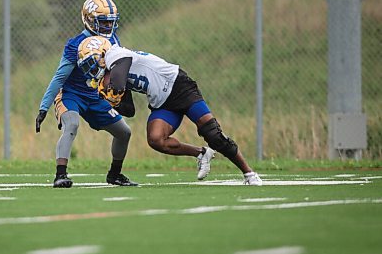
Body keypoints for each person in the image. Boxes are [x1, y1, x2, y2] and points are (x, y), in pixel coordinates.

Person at [76, 36, 262, 185]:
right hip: (162, 103)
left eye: (91, 63)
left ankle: (249, 173)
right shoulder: (113, 74)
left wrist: (114, 88)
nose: (91, 70)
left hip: (179, 86)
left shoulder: (115, 55)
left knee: (212, 133)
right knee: (156, 140)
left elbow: (120, 69)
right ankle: (201, 153)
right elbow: (130, 110)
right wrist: (113, 101)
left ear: (101, 54)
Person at [35, 0, 138, 188]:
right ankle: (60, 175)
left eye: (110, 22)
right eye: (103, 22)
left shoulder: (113, 40)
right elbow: (60, 77)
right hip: (71, 94)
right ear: (89, 20)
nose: (108, 27)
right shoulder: (75, 44)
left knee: (124, 132)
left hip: (95, 96)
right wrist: (44, 107)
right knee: (72, 125)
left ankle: (115, 175)